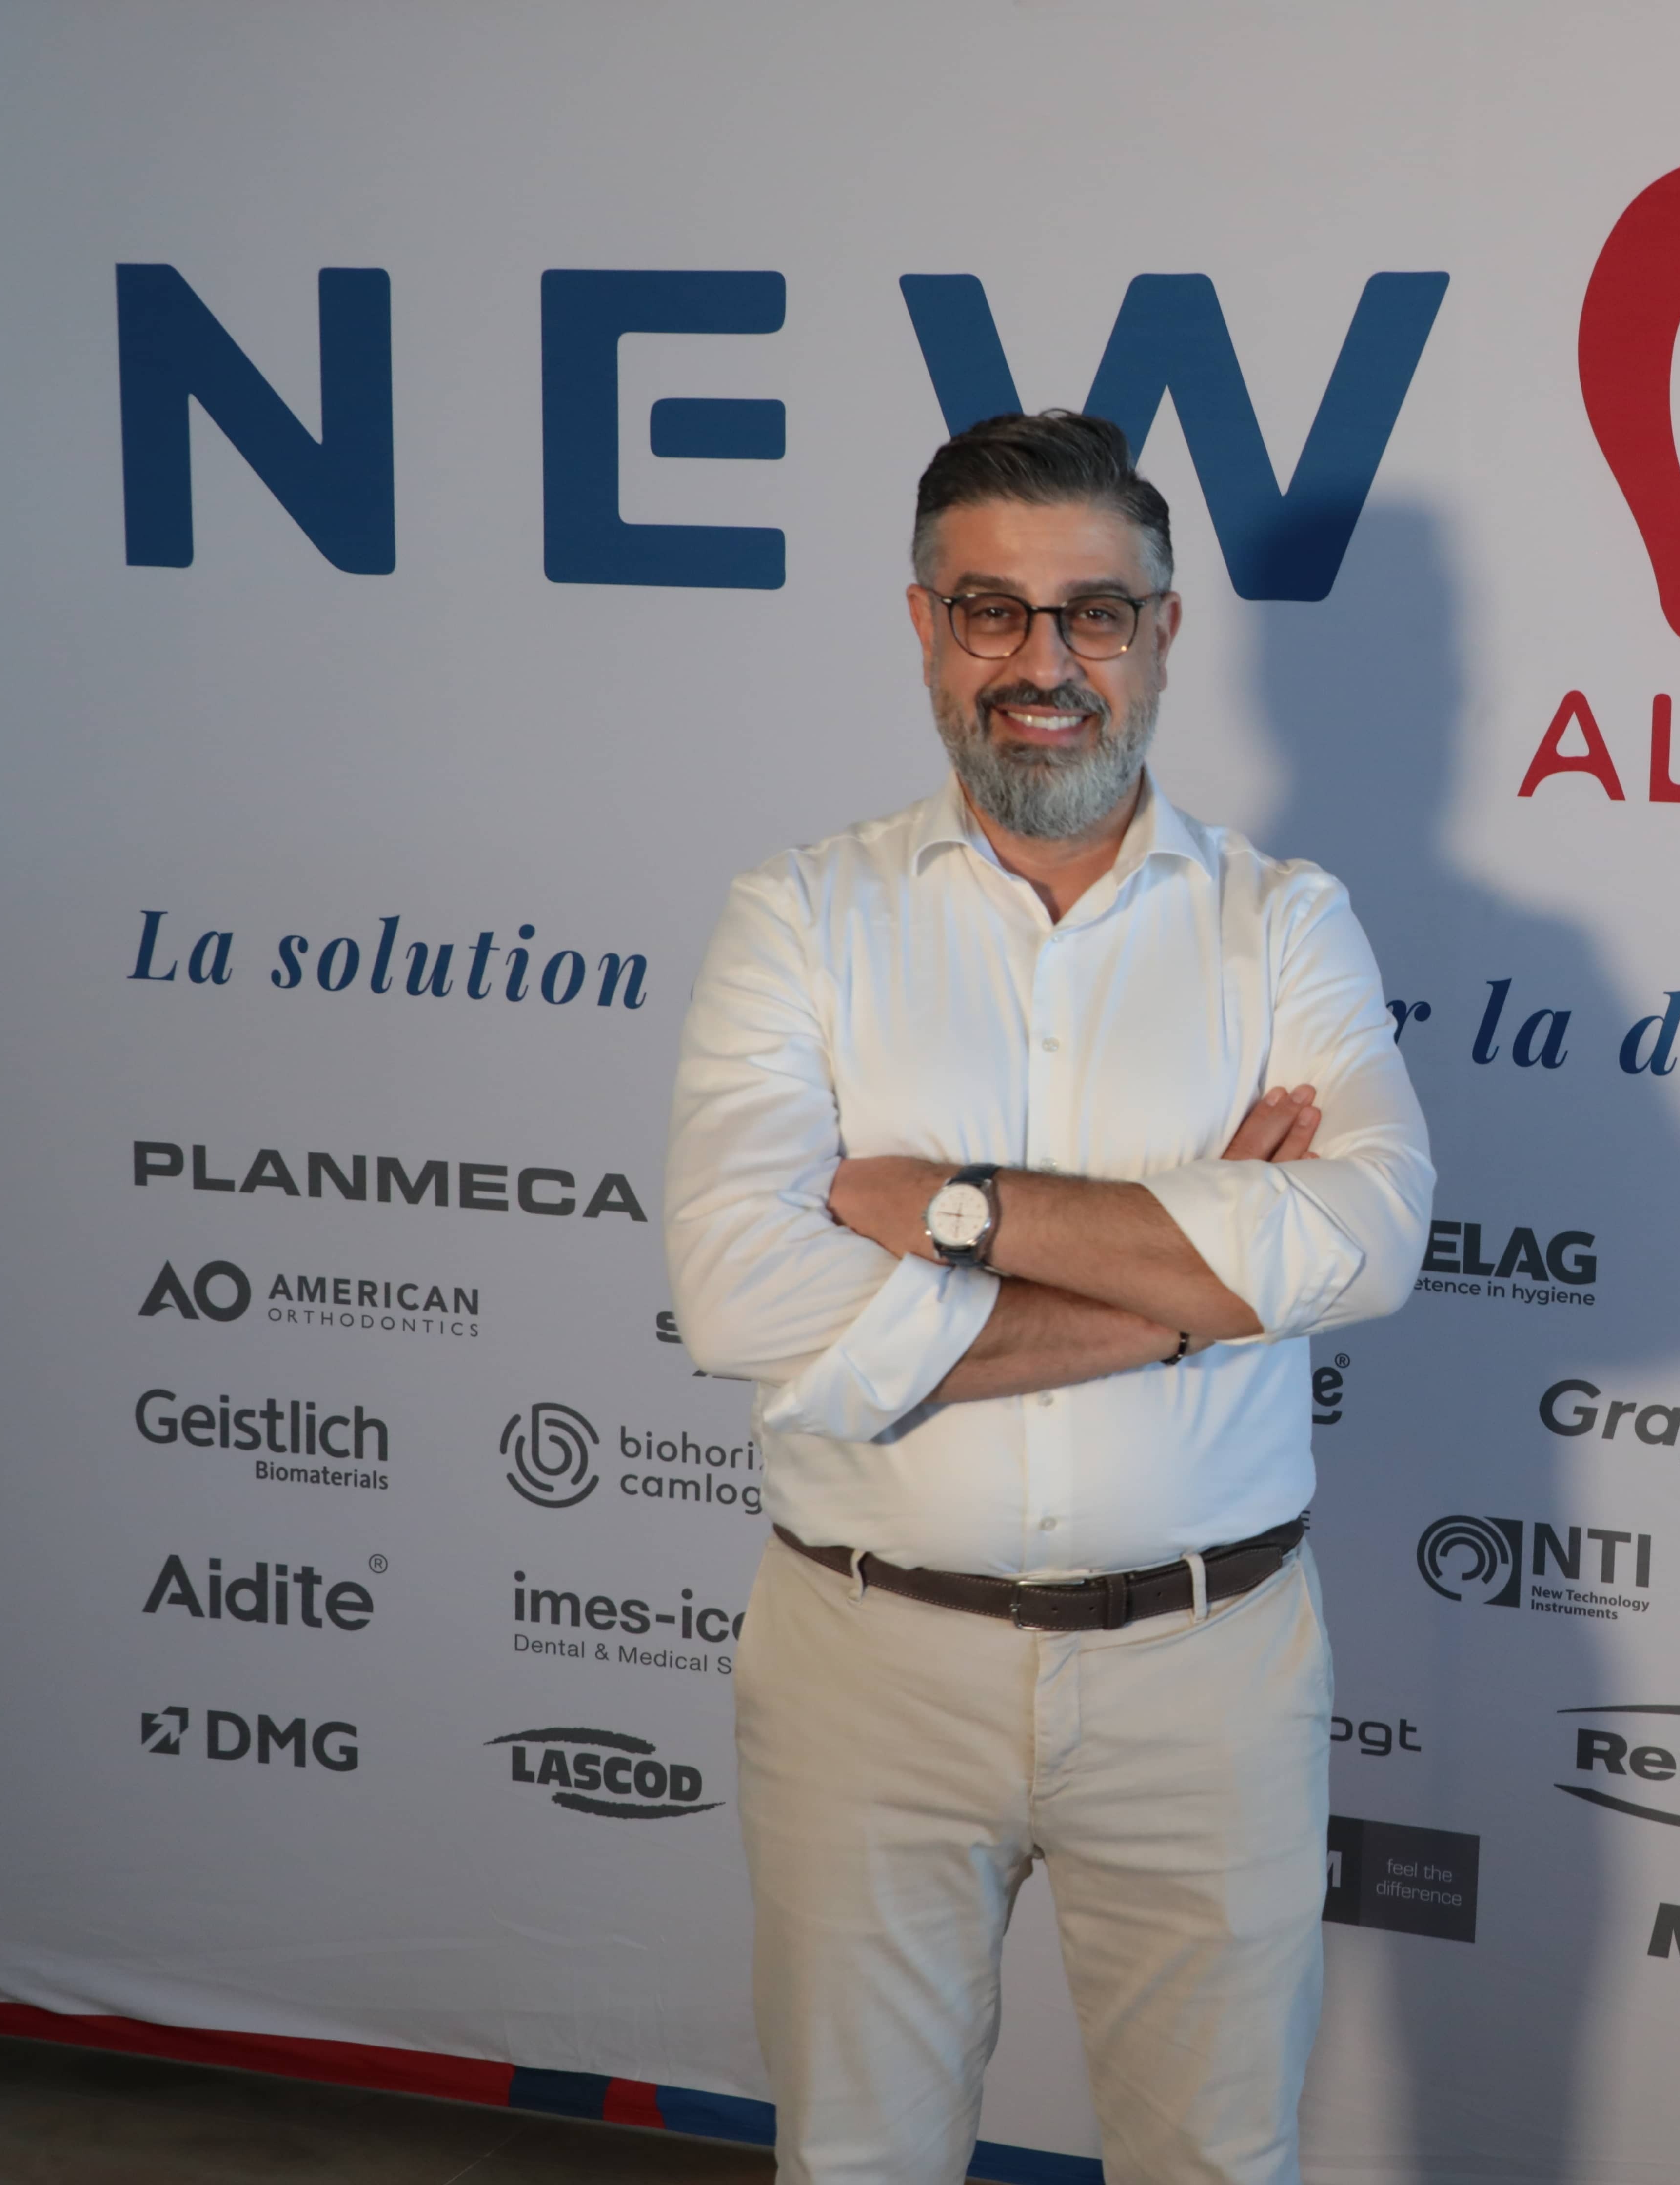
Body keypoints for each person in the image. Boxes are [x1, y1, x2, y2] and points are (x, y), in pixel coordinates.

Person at [661, 409, 1432, 2185]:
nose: (1045, 665)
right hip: (867, 1666)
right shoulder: (800, 918)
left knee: (1215, 2165)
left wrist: (956, 1212)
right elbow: (741, 1293)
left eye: (1094, 613)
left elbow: (1370, 1240)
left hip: (1206, 1674)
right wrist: (1190, 1293)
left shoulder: (1284, 924)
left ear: (1163, 634)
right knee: (854, 2162)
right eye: (992, 611)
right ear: (925, 627)